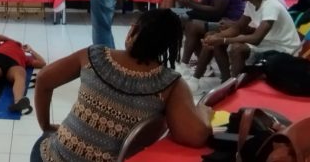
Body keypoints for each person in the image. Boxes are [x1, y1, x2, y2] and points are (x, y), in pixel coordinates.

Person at [30, 9, 212, 161]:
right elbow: (195, 136)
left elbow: (44, 78)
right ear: (169, 47)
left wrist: (46, 126)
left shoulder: (93, 56)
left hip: (54, 157)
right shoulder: (170, 83)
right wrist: (203, 112)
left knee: (47, 139)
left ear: (133, 30)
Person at [200, 0, 300, 82]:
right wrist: (216, 37)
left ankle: (236, 84)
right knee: (218, 41)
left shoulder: (271, 5)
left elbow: (256, 39)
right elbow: (238, 27)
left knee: (237, 48)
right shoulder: (251, 3)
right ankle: (226, 80)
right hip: (268, 43)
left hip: (283, 48)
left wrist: (223, 40)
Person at [177, 0, 246, 78]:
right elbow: (203, 5)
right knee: (187, 22)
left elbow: (217, 10)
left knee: (193, 26)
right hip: (218, 17)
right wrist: (188, 1)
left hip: (230, 21)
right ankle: (202, 64)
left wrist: (191, 4)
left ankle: (185, 64)